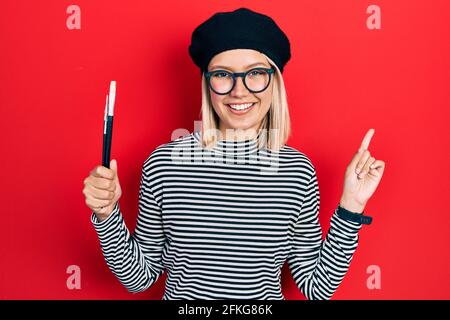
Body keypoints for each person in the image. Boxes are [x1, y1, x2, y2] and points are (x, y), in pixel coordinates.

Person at [82, 7, 385, 300]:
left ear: (274, 82)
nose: (239, 91)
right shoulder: (164, 164)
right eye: (223, 75)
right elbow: (139, 278)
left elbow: (316, 288)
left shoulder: (297, 171)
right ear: (208, 83)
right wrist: (106, 215)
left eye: (255, 73)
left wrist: (351, 205)